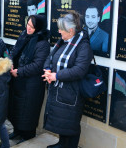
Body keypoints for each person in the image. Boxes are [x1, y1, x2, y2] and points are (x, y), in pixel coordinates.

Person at [42, 12, 92, 148]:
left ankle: (69, 146)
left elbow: (79, 70)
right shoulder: (63, 42)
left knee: (71, 123)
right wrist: (47, 69)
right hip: (60, 90)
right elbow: (50, 57)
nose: (58, 31)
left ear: (71, 30)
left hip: (72, 92)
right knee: (62, 121)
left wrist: (56, 76)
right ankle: (62, 143)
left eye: (61, 29)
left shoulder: (83, 46)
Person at [8, 15, 50, 144]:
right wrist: (10, 62)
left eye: (32, 26)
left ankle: (28, 134)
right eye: (28, 25)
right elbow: (14, 51)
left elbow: (38, 65)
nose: (28, 28)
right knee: (16, 107)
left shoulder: (42, 43)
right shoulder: (23, 36)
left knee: (28, 110)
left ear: (38, 27)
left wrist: (19, 71)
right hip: (17, 81)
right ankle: (17, 130)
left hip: (31, 84)